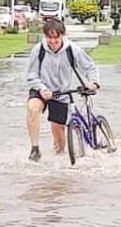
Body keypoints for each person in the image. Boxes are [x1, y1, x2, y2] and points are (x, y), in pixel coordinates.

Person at [26, 18, 101, 161]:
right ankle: (35, 149)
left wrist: (94, 82)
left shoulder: (73, 50)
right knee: (32, 108)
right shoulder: (38, 50)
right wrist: (42, 89)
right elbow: (31, 75)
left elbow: (90, 67)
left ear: (62, 35)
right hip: (41, 89)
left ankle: (59, 163)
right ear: (45, 36)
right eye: (49, 37)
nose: (53, 41)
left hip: (62, 92)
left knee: (59, 136)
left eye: (56, 37)